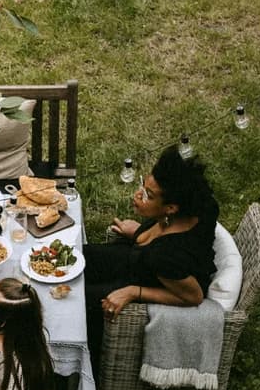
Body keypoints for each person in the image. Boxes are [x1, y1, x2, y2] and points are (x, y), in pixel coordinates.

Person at [84, 146, 220, 356]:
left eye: (148, 195)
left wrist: (133, 292)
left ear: (171, 208)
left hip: (143, 279)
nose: (138, 194)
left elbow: (194, 297)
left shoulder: (166, 256)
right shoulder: (204, 205)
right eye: (143, 185)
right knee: (78, 257)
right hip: (135, 258)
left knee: (77, 299)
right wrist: (138, 232)